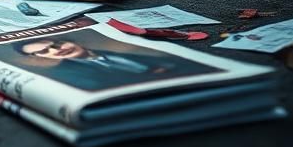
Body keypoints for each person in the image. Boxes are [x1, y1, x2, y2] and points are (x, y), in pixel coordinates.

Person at [15, 36, 216, 91]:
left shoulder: (117, 51)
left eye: (57, 42)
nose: (56, 49)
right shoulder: (70, 77)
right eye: (44, 51)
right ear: (44, 58)